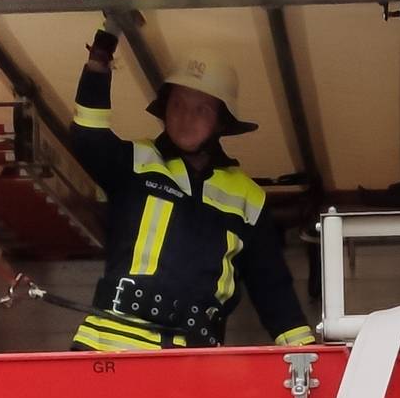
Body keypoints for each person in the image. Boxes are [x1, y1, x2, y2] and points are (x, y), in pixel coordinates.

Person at [64, 27, 318, 351]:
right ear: (165, 109)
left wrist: (309, 359)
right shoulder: (134, 162)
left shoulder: (248, 197)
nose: (186, 118)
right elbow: (87, 135)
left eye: (202, 109)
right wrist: (101, 53)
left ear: (222, 121)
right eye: (178, 105)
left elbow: (273, 291)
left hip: (194, 361)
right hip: (108, 347)